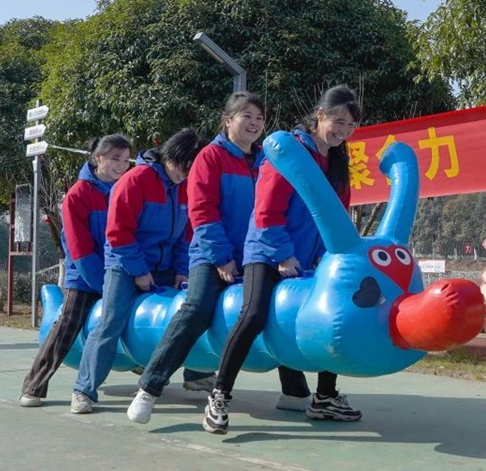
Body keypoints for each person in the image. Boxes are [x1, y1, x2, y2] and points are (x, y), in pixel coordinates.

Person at [127, 92, 312, 424]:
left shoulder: (267, 159)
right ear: (227, 121)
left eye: (259, 118)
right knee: (196, 309)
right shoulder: (210, 157)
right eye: (246, 116)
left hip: (257, 253)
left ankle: (294, 391)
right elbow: (202, 212)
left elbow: (276, 210)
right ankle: (150, 387)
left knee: (277, 307)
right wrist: (221, 258)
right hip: (211, 256)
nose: (254, 123)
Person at [203, 85, 365, 434]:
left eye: (350, 126)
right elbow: (266, 211)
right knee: (253, 316)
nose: (343, 131)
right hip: (266, 251)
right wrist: (282, 255)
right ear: (319, 115)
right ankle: (219, 395)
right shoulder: (289, 151)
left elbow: (338, 216)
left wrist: (327, 257)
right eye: (338, 122)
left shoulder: (337, 161)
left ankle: (325, 397)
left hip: (311, 257)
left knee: (331, 314)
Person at [70, 128, 205, 413]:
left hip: (165, 266)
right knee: (110, 323)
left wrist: (182, 270)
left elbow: (186, 235)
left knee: (194, 312)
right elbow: (118, 234)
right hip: (124, 263)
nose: (186, 174)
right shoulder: (136, 180)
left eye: (192, 169)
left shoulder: (185, 187)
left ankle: (197, 373)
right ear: (170, 158)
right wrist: (139, 272)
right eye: (183, 166)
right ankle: (84, 389)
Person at [19, 134, 132, 407]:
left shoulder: (125, 190)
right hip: (84, 277)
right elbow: (78, 248)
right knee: (67, 325)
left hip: (119, 273)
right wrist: (103, 284)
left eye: (126, 160)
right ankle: (34, 386)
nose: (121, 165)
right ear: (98, 158)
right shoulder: (77, 195)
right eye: (115, 158)